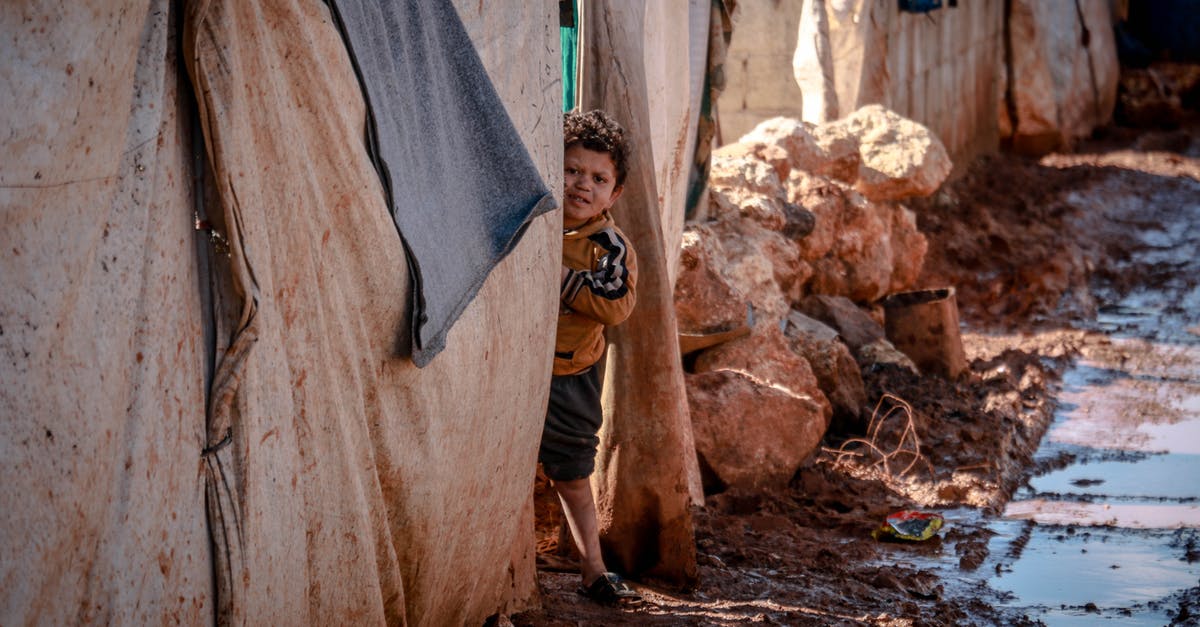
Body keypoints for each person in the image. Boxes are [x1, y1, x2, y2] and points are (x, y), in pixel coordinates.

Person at [538, 110, 642, 605]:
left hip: (569, 373)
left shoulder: (604, 246)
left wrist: (559, 277)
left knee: (572, 474)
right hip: (516, 370)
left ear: (615, 193)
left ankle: (592, 568)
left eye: (599, 179)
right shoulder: (534, 217)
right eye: (573, 170)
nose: (583, 185)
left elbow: (616, 303)